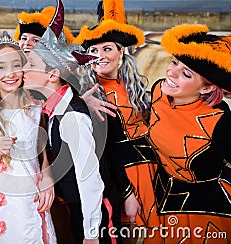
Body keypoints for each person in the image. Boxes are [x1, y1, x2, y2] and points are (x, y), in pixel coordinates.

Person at [23, 1, 106, 243]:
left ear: (52, 75)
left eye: (30, 65)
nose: (23, 71)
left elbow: (90, 179)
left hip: (87, 214)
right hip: (70, 208)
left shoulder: (72, 117)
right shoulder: (54, 107)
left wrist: (91, 234)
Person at [73, 0, 159, 234]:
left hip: (150, 175)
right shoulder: (84, 93)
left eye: (107, 48)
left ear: (121, 51)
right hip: (117, 178)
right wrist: (126, 191)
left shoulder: (137, 88)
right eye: (93, 50)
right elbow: (102, 149)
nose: (99, 55)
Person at [144, 23, 231, 243]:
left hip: (204, 211)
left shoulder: (220, 121)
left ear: (207, 88)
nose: (171, 72)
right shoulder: (158, 90)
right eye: (174, 62)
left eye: (185, 73)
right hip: (161, 199)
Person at [0, 35, 57, 243]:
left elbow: (42, 157)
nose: (10, 73)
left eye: (16, 65)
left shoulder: (36, 111)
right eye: (1, 67)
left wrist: (48, 178)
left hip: (31, 201)